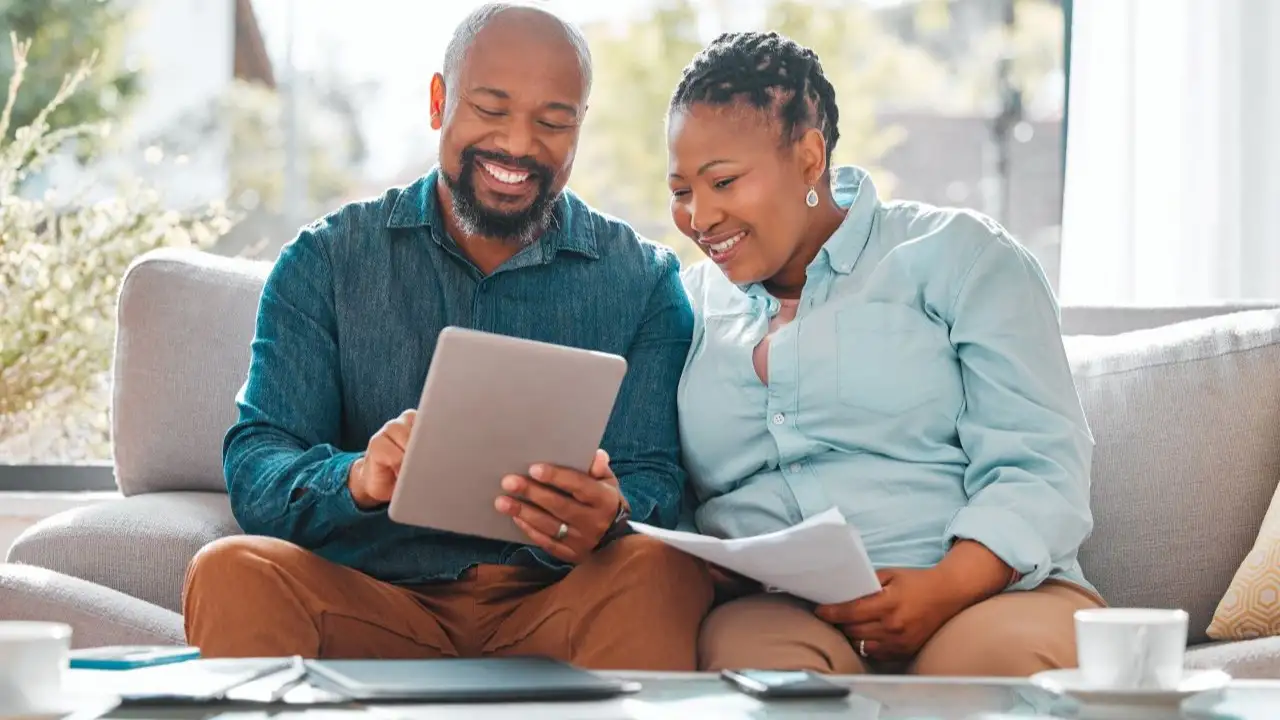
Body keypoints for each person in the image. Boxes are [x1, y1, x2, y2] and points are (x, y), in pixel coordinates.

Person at [182, 3, 712, 669]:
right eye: (491, 109)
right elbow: (258, 463)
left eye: (553, 122)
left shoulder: (643, 280)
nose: (519, 146)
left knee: (662, 568)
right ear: (439, 101)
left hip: (557, 601)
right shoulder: (327, 260)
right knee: (233, 570)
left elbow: (656, 476)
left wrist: (610, 512)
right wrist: (357, 479)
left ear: (579, 128)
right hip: (371, 597)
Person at [666, 31, 1104, 677]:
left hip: (989, 593)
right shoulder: (686, 304)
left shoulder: (959, 255)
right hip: (783, 608)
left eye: (723, 181)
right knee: (764, 683)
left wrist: (946, 588)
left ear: (810, 158)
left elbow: (1040, 461)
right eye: (680, 191)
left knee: (973, 678)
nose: (700, 216)